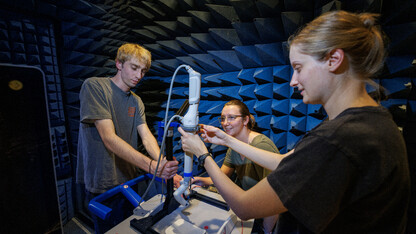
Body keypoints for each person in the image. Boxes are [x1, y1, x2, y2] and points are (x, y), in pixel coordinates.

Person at [178, 10, 410, 233]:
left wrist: (203, 154)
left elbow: (245, 206)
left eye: (298, 68)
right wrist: (227, 139)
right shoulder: (369, 124)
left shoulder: (339, 139)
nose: (292, 81)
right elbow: (284, 163)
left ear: (334, 59)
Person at [76, 43, 178, 229]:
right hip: (104, 184)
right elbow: (109, 138)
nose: (139, 76)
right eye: (134, 68)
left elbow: (146, 136)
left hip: (130, 180)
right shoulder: (95, 87)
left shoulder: (136, 100)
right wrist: (152, 167)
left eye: (143, 71)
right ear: (119, 64)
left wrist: (162, 163)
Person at [175, 99, 280, 233]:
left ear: (245, 120)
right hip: (250, 211)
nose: (225, 123)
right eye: (223, 118)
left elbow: (274, 198)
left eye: (231, 118)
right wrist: (199, 180)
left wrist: (266, 230)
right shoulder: (233, 145)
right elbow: (221, 176)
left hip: (267, 216)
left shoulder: (262, 145)